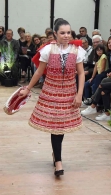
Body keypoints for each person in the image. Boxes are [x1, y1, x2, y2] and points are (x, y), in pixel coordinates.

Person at [19, 19, 85, 176]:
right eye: (62, 33)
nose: (66, 35)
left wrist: (79, 94)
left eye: (68, 32)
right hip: (51, 93)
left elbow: (81, 73)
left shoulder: (77, 50)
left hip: (69, 93)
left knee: (60, 127)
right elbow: (39, 72)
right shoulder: (48, 50)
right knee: (56, 127)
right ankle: (58, 161)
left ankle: (56, 156)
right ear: (55, 34)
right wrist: (28, 89)